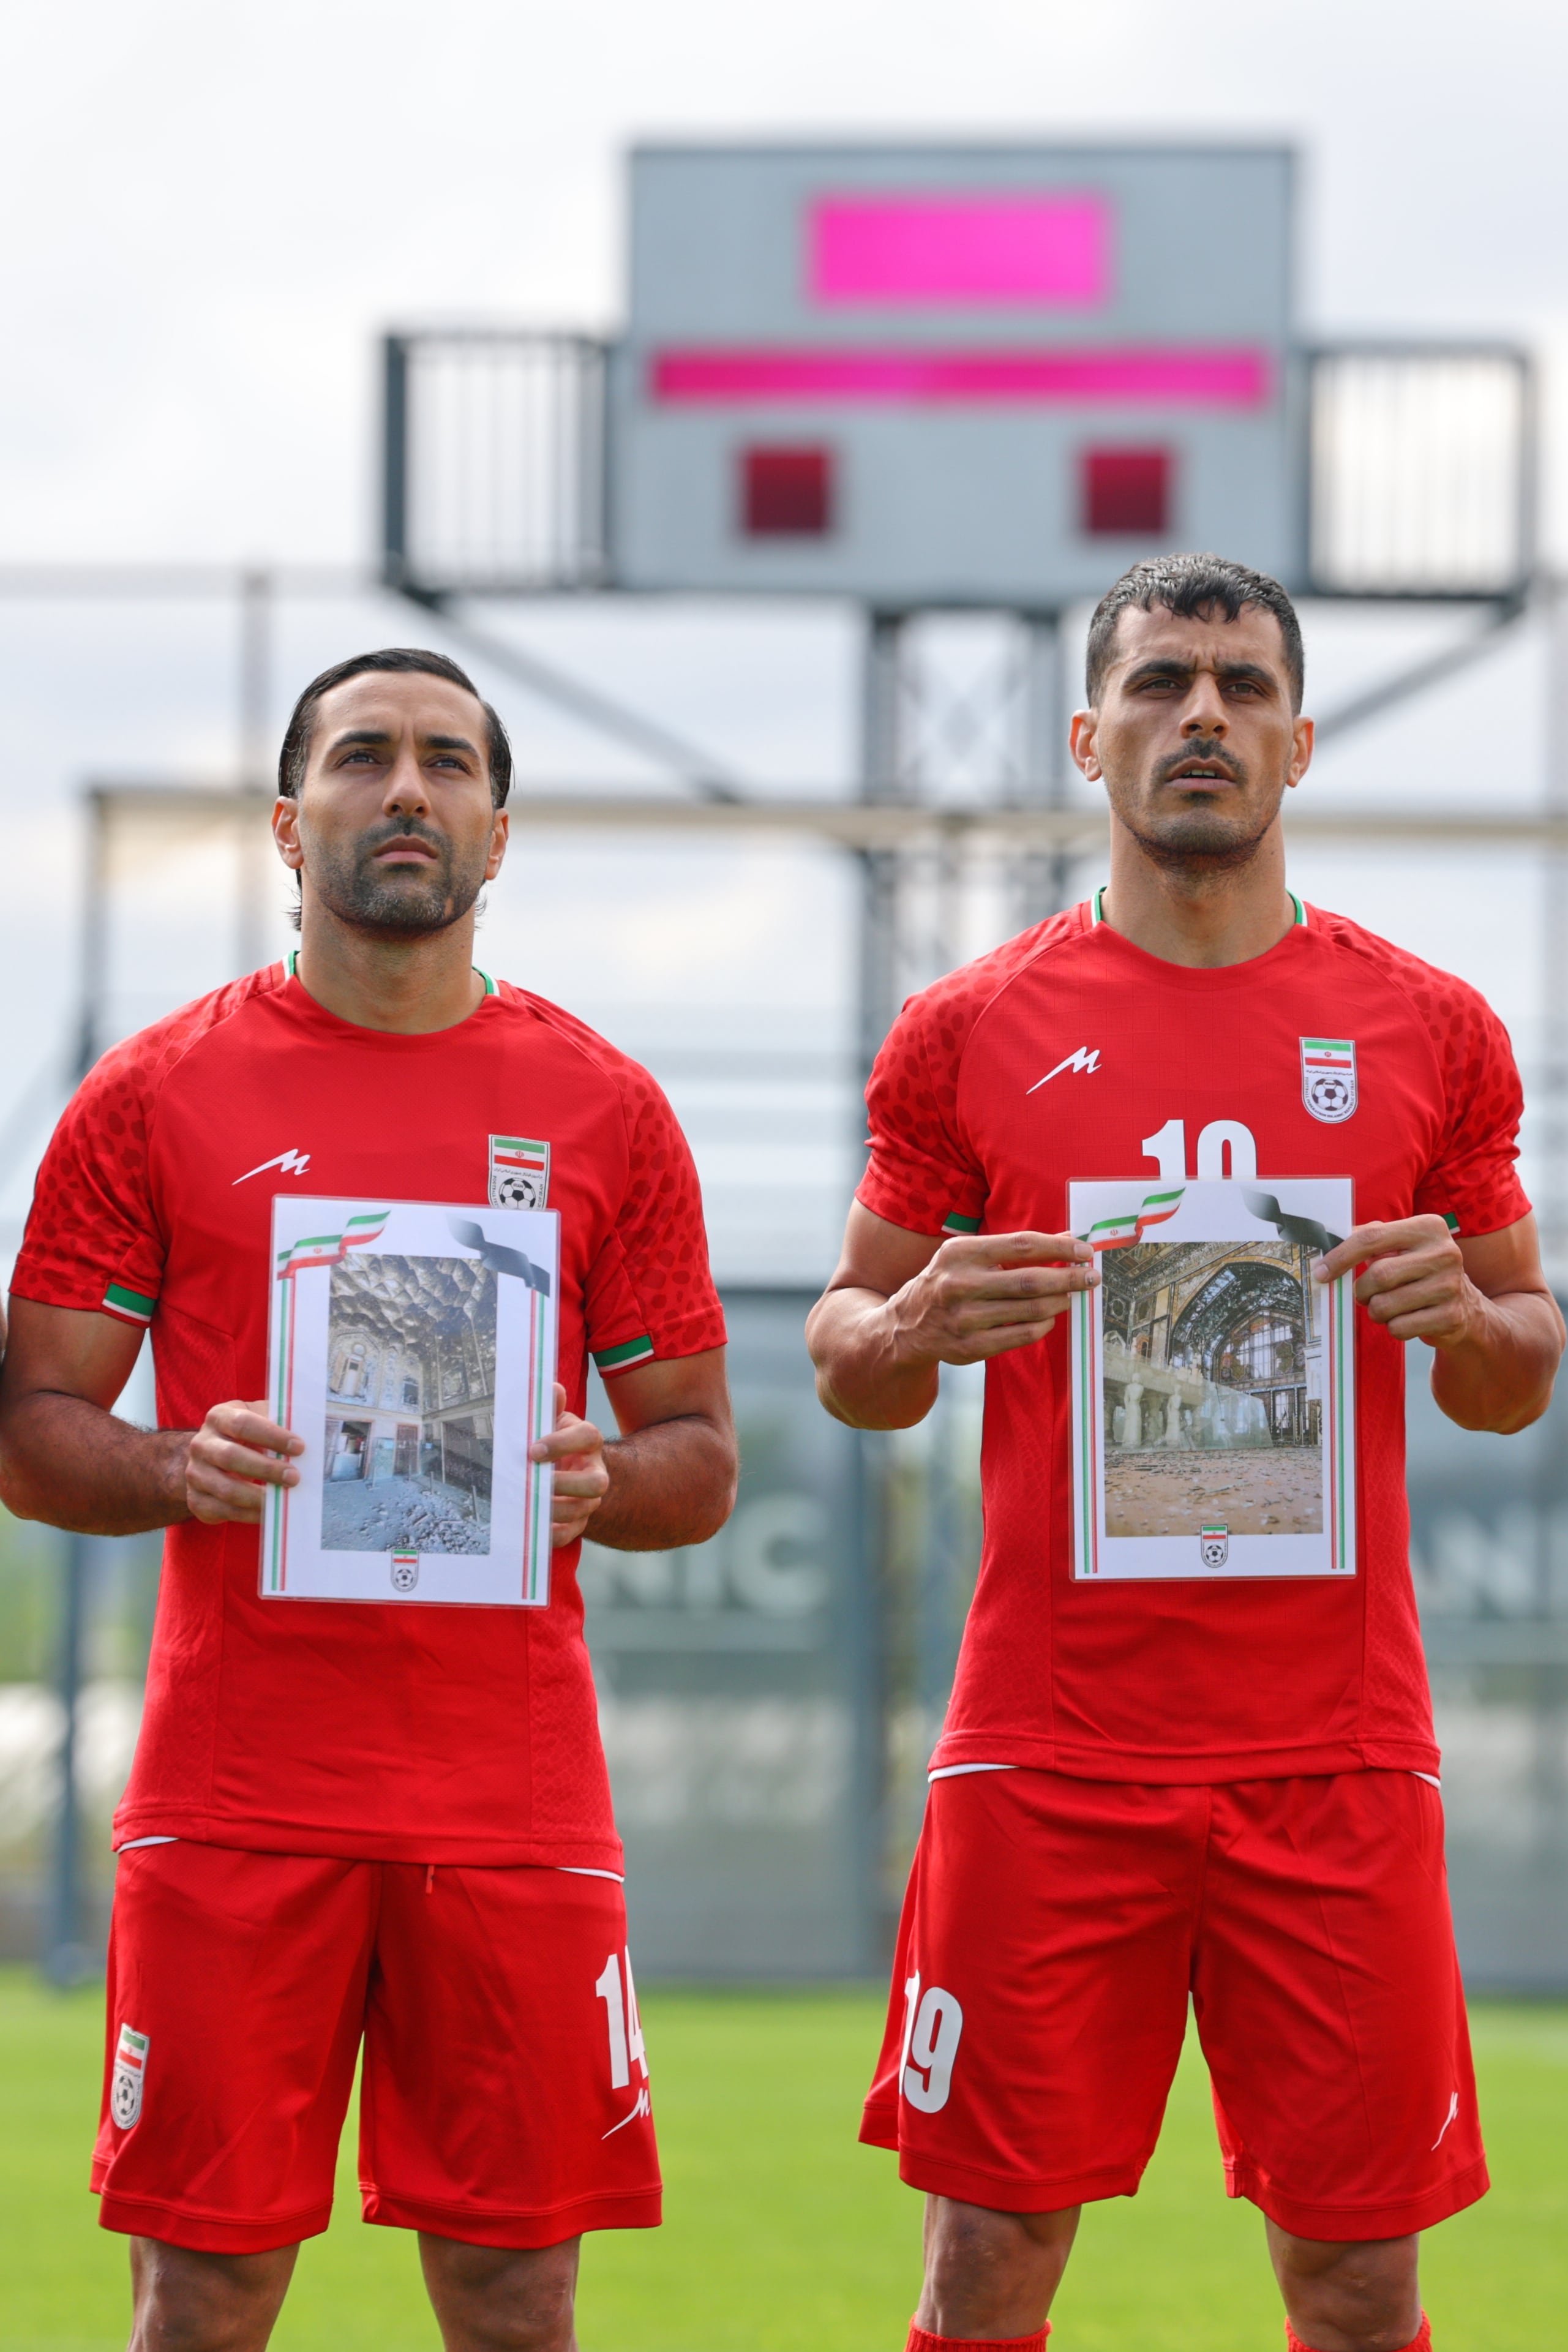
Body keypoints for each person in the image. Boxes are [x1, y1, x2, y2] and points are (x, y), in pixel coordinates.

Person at [806, 554, 1563, 2352]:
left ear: (1298, 741)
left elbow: (1519, 1369)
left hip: (1332, 1751)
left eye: (1237, 686)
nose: (1199, 716)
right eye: (1158, 685)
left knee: (1360, 2281)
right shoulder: (969, 1029)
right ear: (1088, 736)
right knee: (986, 2266)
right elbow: (847, 1347)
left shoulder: (1426, 1028)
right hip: (1049, 1751)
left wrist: (1463, 1314)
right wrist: (907, 1331)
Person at [0, 647, 736, 2352]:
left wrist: (597, 1480)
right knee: (205, 2285)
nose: (405, 788)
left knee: (514, 2292)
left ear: (496, 827)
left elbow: (696, 1457)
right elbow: (36, 1429)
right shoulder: (153, 1093)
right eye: (361, 757)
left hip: (511, 1796)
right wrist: (180, 1464)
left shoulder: (603, 1107)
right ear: (287, 818)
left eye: (444, 762)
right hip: (237, 1791)